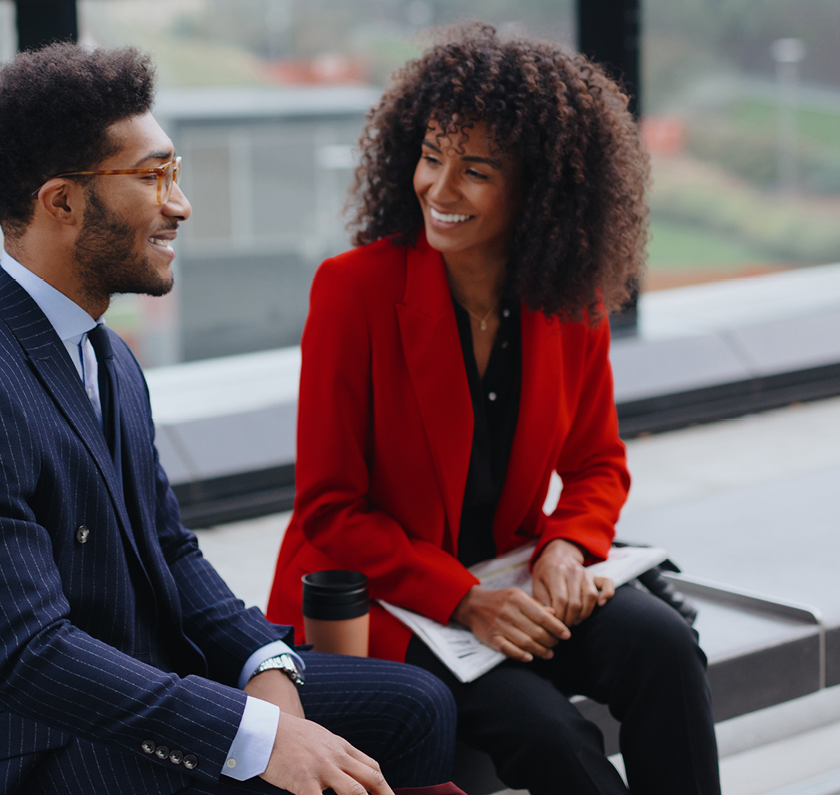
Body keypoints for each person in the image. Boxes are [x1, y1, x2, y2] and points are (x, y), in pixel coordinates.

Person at [0, 43, 457, 795]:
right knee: (260, 771)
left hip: (123, 688)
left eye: (174, 174)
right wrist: (254, 735)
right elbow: (31, 655)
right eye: (153, 177)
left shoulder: (105, 355)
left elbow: (170, 547)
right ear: (63, 202)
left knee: (415, 706)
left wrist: (261, 665)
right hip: (15, 752)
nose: (179, 203)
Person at [266, 24, 721, 795]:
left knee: (665, 645)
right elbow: (330, 510)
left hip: (513, 576)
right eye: (431, 157)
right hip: (390, 600)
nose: (439, 190)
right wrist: (467, 600)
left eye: (475, 170)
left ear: (541, 186)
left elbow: (597, 463)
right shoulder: (354, 291)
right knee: (552, 737)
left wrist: (569, 547)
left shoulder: (570, 297)